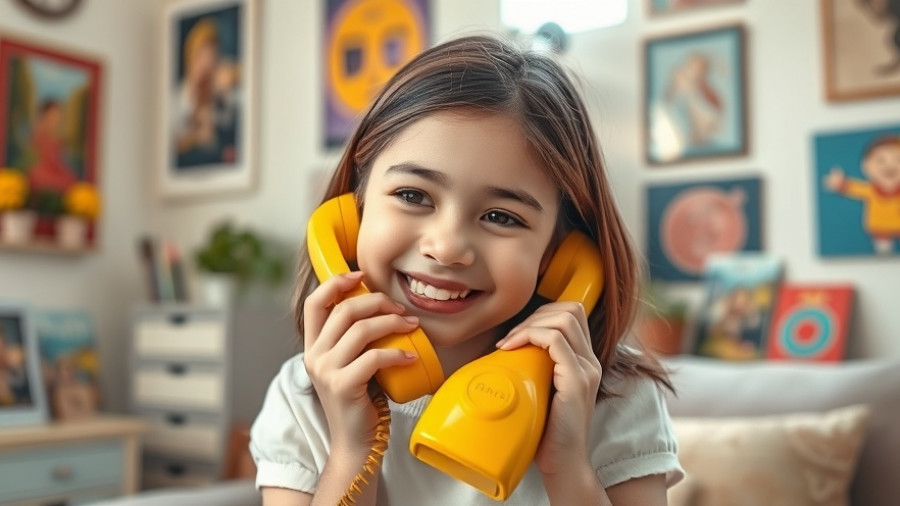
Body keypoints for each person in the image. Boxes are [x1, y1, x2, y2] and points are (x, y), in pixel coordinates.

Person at [250, 34, 683, 505]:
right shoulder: (304, 397)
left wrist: (567, 465)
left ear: (559, 257)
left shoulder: (617, 397)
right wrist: (353, 449)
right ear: (352, 216)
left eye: (501, 216)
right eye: (413, 195)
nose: (447, 247)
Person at [824, 135, 900, 254]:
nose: (889, 166)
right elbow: (853, 188)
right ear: (866, 166)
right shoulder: (870, 190)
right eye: (880, 160)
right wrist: (839, 183)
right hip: (880, 227)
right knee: (883, 247)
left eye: (897, 159)